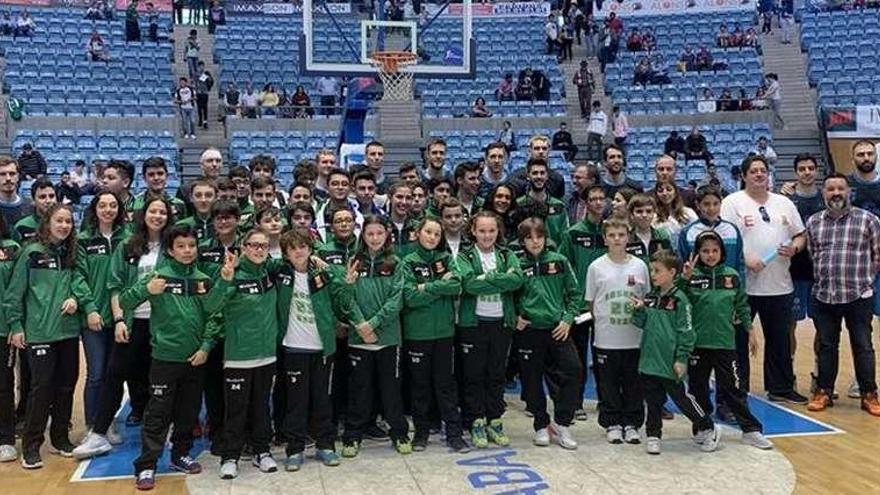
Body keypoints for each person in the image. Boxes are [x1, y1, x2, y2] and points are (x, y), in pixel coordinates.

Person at [124, 225, 233, 490]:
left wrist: (206, 347)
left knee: (188, 411)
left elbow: (213, 310)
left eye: (191, 246)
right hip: (164, 357)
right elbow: (126, 301)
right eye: (181, 246)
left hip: (195, 359)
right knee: (158, 412)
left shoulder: (202, 279)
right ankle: (147, 464)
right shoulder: (157, 276)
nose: (187, 251)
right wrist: (146, 290)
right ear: (171, 250)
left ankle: (180, 454)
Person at [73, 195, 175, 461]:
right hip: (133, 321)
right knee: (114, 374)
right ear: (144, 214)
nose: (157, 216)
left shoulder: (175, 246)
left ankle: (169, 431)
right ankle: (98, 434)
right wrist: (118, 320)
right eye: (153, 211)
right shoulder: (129, 245)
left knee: (162, 378)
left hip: (164, 323)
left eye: (162, 212)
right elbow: (114, 285)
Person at [5, 204, 88, 469]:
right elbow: (14, 293)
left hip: (67, 331)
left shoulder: (72, 253)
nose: (64, 226)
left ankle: (61, 438)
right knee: (41, 389)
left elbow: (78, 282)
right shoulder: (31, 253)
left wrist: (75, 298)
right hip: (39, 332)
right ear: (47, 223)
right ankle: (31, 445)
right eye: (59, 221)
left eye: (68, 222)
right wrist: (16, 325)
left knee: (66, 385)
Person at [720, 156, 808, 404]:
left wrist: (796, 249)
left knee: (780, 339)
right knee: (738, 340)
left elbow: (800, 235)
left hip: (780, 284)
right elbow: (723, 238)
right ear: (744, 176)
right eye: (754, 171)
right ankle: (738, 389)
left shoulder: (784, 203)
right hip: (742, 286)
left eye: (763, 171)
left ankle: (780, 388)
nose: (759, 175)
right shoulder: (732, 203)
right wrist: (745, 258)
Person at [680, 231, 774, 449]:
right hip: (697, 344)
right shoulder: (691, 276)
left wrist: (750, 331)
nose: (710, 255)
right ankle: (703, 429)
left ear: (722, 252)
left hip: (725, 343)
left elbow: (742, 305)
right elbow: (677, 299)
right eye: (705, 251)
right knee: (698, 390)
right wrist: (685, 278)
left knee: (733, 388)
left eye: (715, 250)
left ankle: (750, 430)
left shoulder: (732, 275)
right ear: (697, 253)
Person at [630, 250, 721, 455]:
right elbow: (642, 323)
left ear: (672, 272)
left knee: (683, 399)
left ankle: (708, 427)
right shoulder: (651, 297)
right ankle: (653, 435)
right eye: (652, 270)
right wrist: (638, 310)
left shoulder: (680, 300)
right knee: (653, 401)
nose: (652, 275)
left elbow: (687, 332)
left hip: (670, 361)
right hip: (649, 360)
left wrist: (681, 358)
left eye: (657, 271)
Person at [805, 174, 880, 416]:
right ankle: (824, 391)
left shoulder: (868, 220)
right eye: (830, 189)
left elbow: (876, 255)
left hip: (859, 294)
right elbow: (812, 254)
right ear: (823, 192)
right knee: (827, 346)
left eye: (840, 188)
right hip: (825, 294)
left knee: (863, 345)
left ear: (849, 191)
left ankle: (869, 393)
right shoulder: (814, 222)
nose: (836, 193)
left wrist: (866, 281)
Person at [276, 229, 351, 470]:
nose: (299, 251)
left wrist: (336, 275)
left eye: (303, 247)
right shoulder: (279, 272)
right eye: (293, 248)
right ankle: (295, 449)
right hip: (293, 347)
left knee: (322, 400)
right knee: (296, 402)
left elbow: (340, 298)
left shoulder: (323, 274)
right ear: (286, 254)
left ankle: (325, 446)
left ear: (310, 249)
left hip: (322, 348)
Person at [340, 216, 413, 456]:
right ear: (363, 236)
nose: (374, 238)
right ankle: (352, 436)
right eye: (370, 234)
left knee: (391, 390)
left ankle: (399, 433)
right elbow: (346, 298)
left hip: (388, 338)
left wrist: (373, 323)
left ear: (387, 235)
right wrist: (360, 324)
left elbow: (396, 300)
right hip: (358, 338)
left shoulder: (396, 262)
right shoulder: (354, 261)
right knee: (359, 390)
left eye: (379, 233)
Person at [400, 217, 470, 453]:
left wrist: (427, 287)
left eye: (437, 234)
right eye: (428, 232)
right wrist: (440, 285)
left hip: (444, 333)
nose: (432, 237)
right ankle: (420, 433)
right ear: (418, 233)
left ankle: (454, 434)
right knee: (419, 386)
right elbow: (409, 297)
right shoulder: (407, 262)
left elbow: (457, 286)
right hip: (417, 333)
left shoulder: (446, 259)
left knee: (446, 385)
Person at [215, 229, 279, 479]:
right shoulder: (233, 275)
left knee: (261, 407)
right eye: (254, 245)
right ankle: (230, 456)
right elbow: (212, 305)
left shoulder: (270, 274)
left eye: (263, 246)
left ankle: (262, 451)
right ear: (243, 248)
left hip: (267, 355)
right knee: (236, 410)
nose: (259, 250)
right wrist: (225, 280)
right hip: (238, 356)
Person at [455, 211, 522, 448]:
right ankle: (476, 421)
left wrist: (487, 277)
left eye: (491, 231)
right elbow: (469, 284)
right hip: (473, 324)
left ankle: (494, 419)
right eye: (482, 230)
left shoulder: (506, 254)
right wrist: (500, 277)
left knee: (496, 375)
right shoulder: (464, 256)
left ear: (498, 232)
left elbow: (517, 280)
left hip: (501, 323)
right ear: (473, 231)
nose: (487, 235)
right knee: (473, 375)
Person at [514, 217, 581, 450]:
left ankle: (562, 423)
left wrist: (567, 319)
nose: (535, 242)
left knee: (573, 370)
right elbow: (508, 294)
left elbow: (575, 294)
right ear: (522, 241)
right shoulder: (515, 263)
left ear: (546, 238)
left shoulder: (559, 261)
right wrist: (515, 315)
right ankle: (541, 425)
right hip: (530, 330)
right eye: (530, 238)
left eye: (539, 237)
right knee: (531, 379)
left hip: (557, 330)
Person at [585, 217, 649, 444]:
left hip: (634, 338)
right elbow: (591, 303)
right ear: (605, 239)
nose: (617, 239)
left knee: (633, 383)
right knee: (608, 384)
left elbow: (646, 298)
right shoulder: (596, 267)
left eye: (621, 235)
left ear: (628, 237)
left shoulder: (640, 265)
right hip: (606, 339)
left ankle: (632, 423)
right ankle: (611, 423)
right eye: (611, 235)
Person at [75, 192, 129, 430]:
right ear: (95, 209)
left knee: (114, 374)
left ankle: (108, 422)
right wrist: (90, 308)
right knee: (96, 375)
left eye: (113, 205)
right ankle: (92, 425)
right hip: (94, 318)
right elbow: (78, 276)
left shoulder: (128, 238)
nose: (108, 209)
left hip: (122, 317)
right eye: (103, 205)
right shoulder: (83, 239)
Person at [560, 184, 607, 419]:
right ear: (586, 203)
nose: (598, 202)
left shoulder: (612, 233)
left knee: (603, 357)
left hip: (604, 307)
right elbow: (563, 267)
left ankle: (605, 401)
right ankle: (575, 403)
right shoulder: (573, 233)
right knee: (577, 358)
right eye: (594, 198)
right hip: (579, 307)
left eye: (601, 198)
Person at [652, 181, 698, 251]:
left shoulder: (688, 213)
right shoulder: (653, 216)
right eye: (660, 191)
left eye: (669, 189)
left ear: (675, 192)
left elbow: (696, 235)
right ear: (656, 194)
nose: (665, 193)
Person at [195, 63, 214, 129]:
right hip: (199, 92)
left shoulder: (207, 73)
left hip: (205, 92)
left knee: (205, 107)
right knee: (199, 107)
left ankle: (205, 121)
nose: (201, 68)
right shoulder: (196, 74)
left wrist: (209, 78)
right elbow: (197, 80)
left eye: (202, 66)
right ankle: (200, 119)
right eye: (200, 66)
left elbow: (211, 81)